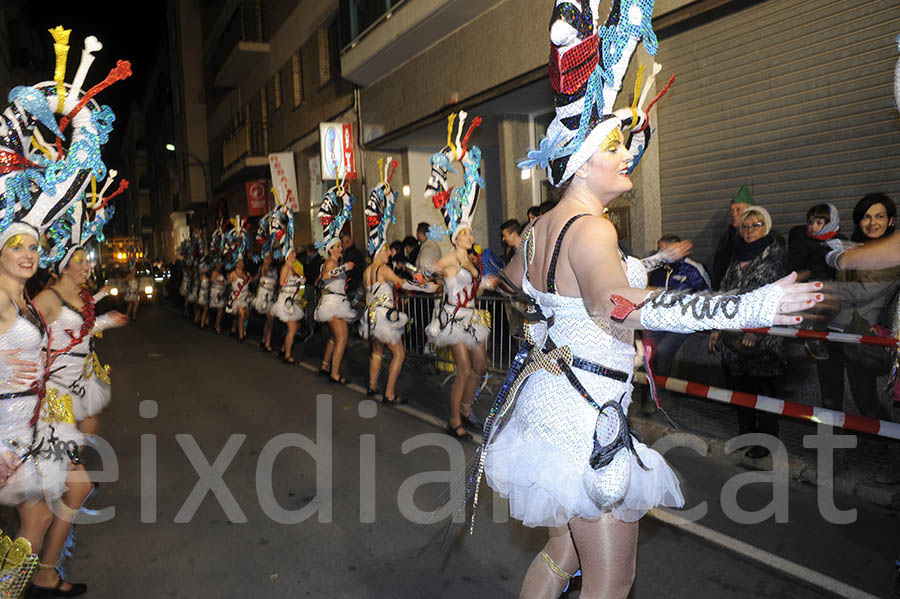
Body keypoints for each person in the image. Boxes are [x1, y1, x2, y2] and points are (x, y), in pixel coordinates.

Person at [476, 5, 822, 597]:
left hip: (547, 410)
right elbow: (620, 306)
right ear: (582, 161)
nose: (629, 152)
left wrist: (626, 277)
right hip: (585, 422)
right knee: (611, 582)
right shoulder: (592, 230)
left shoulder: (541, 228)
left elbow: (512, 284)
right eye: (616, 144)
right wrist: (749, 307)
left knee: (562, 555)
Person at [822, 193, 900, 484]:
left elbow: (866, 292)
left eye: (879, 216)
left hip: (861, 336)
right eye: (867, 216)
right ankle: (833, 456)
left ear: (890, 220)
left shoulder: (891, 255)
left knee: (865, 399)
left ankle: (893, 456)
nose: (872, 222)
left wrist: (821, 288)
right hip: (832, 332)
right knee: (829, 398)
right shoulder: (850, 249)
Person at [423, 111, 491, 439]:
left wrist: (492, 282)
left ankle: (466, 408)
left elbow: (479, 283)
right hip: (452, 319)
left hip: (472, 316)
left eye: (470, 231)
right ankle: (455, 420)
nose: (469, 234)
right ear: (455, 237)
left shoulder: (474, 260)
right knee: (464, 370)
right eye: (464, 232)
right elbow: (429, 275)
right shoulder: (450, 258)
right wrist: (421, 280)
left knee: (481, 367)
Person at [709, 206, 787, 459]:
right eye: (745, 226)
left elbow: (774, 299)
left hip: (763, 338)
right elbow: (724, 293)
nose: (750, 230)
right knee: (740, 388)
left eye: (757, 225)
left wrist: (756, 331)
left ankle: (767, 440)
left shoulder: (775, 257)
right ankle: (745, 433)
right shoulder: (735, 257)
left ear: (767, 227)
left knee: (763, 389)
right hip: (734, 337)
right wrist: (717, 328)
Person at [360, 158, 438, 402]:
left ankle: (372, 386)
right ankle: (390, 393)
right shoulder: (382, 269)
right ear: (379, 252)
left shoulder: (366, 272)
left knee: (376, 352)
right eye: (385, 250)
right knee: (399, 354)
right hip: (383, 315)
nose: (388, 252)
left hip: (371, 316)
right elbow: (403, 284)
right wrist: (426, 287)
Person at [36, 243, 128, 439]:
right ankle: (72, 464)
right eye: (80, 262)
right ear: (64, 268)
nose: (87, 267)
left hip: (83, 376)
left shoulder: (81, 294)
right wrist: (35, 354)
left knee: (91, 420)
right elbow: (18, 331)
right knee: (63, 440)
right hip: (58, 382)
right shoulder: (49, 297)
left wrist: (107, 321)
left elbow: (83, 330)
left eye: (87, 262)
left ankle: (74, 461)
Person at [644, 234, 709, 377]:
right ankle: (650, 388)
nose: (662, 255)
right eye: (660, 251)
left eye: (666, 251)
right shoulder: (657, 269)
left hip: (683, 321)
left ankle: (662, 390)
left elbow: (707, 296)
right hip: (660, 321)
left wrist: (703, 325)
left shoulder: (693, 268)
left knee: (663, 350)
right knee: (646, 348)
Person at [787, 203, 843, 360]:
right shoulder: (801, 240)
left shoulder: (838, 242)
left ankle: (814, 334)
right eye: (810, 222)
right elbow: (795, 268)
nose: (813, 226)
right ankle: (811, 336)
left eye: (819, 223)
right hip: (809, 284)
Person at [314, 181, 357, 383]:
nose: (341, 248)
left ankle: (325, 366)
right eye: (338, 246)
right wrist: (343, 268)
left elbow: (321, 279)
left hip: (335, 302)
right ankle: (335, 373)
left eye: (341, 246)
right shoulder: (331, 262)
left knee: (334, 337)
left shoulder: (330, 261)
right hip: (332, 305)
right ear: (331, 249)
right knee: (342, 337)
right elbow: (325, 277)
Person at [710, 184, 753, 290]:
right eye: (732, 210)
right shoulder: (726, 237)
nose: (733, 214)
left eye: (738, 210)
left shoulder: (761, 237)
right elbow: (718, 268)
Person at [253, 253, 278, 352]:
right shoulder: (263, 267)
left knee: (270, 320)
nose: (269, 259)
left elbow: (276, 281)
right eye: (267, 258)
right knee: (270, 319)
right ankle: (267, 343)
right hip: (263, 296)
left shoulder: (274, 268)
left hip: (271, 295)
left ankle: (264, 340)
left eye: (270, 258)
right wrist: (266, 262)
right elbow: (264, 272)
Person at [226, 258, 251, 342]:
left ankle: (243, 330)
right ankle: (241, 335)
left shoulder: (245, 273)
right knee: (242, 315)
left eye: (242, 263)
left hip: (244, 298)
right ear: (236, 264)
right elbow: (228, 282)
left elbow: (250, 281)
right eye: (239, 263)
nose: (241, 264)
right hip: (236, 299)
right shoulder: (233, 273)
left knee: (247, 315)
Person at [339, 228, 365, 299]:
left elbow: (350, 270)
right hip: (354, 283)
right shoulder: (353, 252)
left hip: (352, 285)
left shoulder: (351, 254)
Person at [209, 262, 227, 334]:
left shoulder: (223, 273)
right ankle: (217, 326)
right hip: (216, 292)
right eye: (218, 265)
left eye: (221, 265)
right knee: (219, 309)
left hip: (221, 292)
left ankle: (217, 325)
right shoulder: (214, 272)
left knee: (220, 310)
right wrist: (220, 282)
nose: (219, 266)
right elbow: (212, 281)